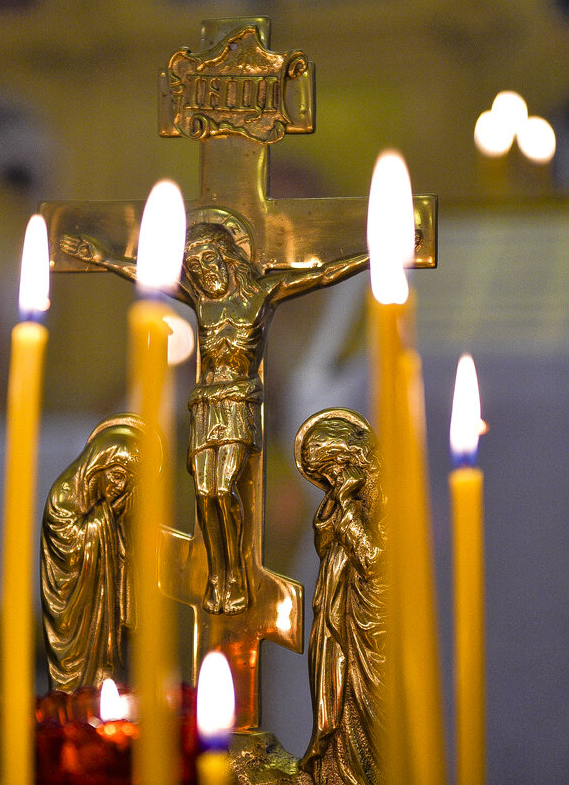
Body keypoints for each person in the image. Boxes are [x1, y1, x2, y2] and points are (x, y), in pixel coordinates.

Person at [63, 221, 372, 614]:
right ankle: (219, 575)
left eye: (209, 259)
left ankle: (237, 574)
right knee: (207, 494)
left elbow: (324, 274)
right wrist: (103, 257)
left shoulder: (259, 295)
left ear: (227, 258)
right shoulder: (201, 303)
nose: (204, 270)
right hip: (205, 409)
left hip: (236, 407)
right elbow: (153, 278)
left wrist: (375, 253)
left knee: (224, 490)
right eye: (195, 264)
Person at [295, 409, 384, 785]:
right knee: (336, 689)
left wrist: (349, 514)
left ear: (351, 455)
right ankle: (334, 769)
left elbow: (375, 559)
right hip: (335, 616)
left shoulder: (386, 499)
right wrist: (338, 511)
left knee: (370, 706)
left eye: (332, 466)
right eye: (322, 474)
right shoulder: (337, 501)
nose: (331, 478)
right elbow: (326, 547)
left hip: (373, 625)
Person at [40, 415, 143, 691]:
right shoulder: (64, 495)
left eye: (128, 481)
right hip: (76, 612)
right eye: (117, 476)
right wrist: (102, 525)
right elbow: (66, 545)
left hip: (105, 612)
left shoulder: (111, 504)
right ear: (96, 467)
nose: (120, 487)